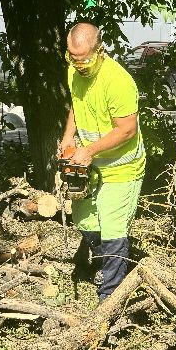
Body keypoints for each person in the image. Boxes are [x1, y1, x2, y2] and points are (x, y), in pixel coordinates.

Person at [60, 22, 144, 302]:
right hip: (92, 165)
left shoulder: (117, 81)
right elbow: (76, 103)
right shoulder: (74, 69)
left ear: (99, 50)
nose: (78, 64)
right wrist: (68, 138)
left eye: (84, 59)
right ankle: (106, 265)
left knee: (113, 227)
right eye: (72, 58)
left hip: (122, 167)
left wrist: (90, 149)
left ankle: (110, 296)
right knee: (85, 220)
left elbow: (127, 130)